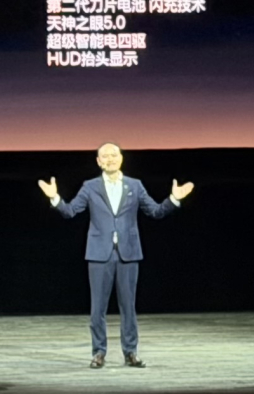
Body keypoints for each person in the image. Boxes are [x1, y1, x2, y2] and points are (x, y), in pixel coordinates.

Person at [39, 142, 193, 368]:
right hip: (99, 254)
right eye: (105, 156)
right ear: (98, 161)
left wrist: (174, 199)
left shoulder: (135, 185)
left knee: (128, 307)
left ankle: (130, 353)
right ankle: (98, 352)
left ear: (121, 158)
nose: (110, 159)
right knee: (97, 309)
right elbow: (71, 211)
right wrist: (55, 198)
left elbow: (155, 211)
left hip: (128, 253)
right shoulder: (90, 186)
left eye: (114, 155)